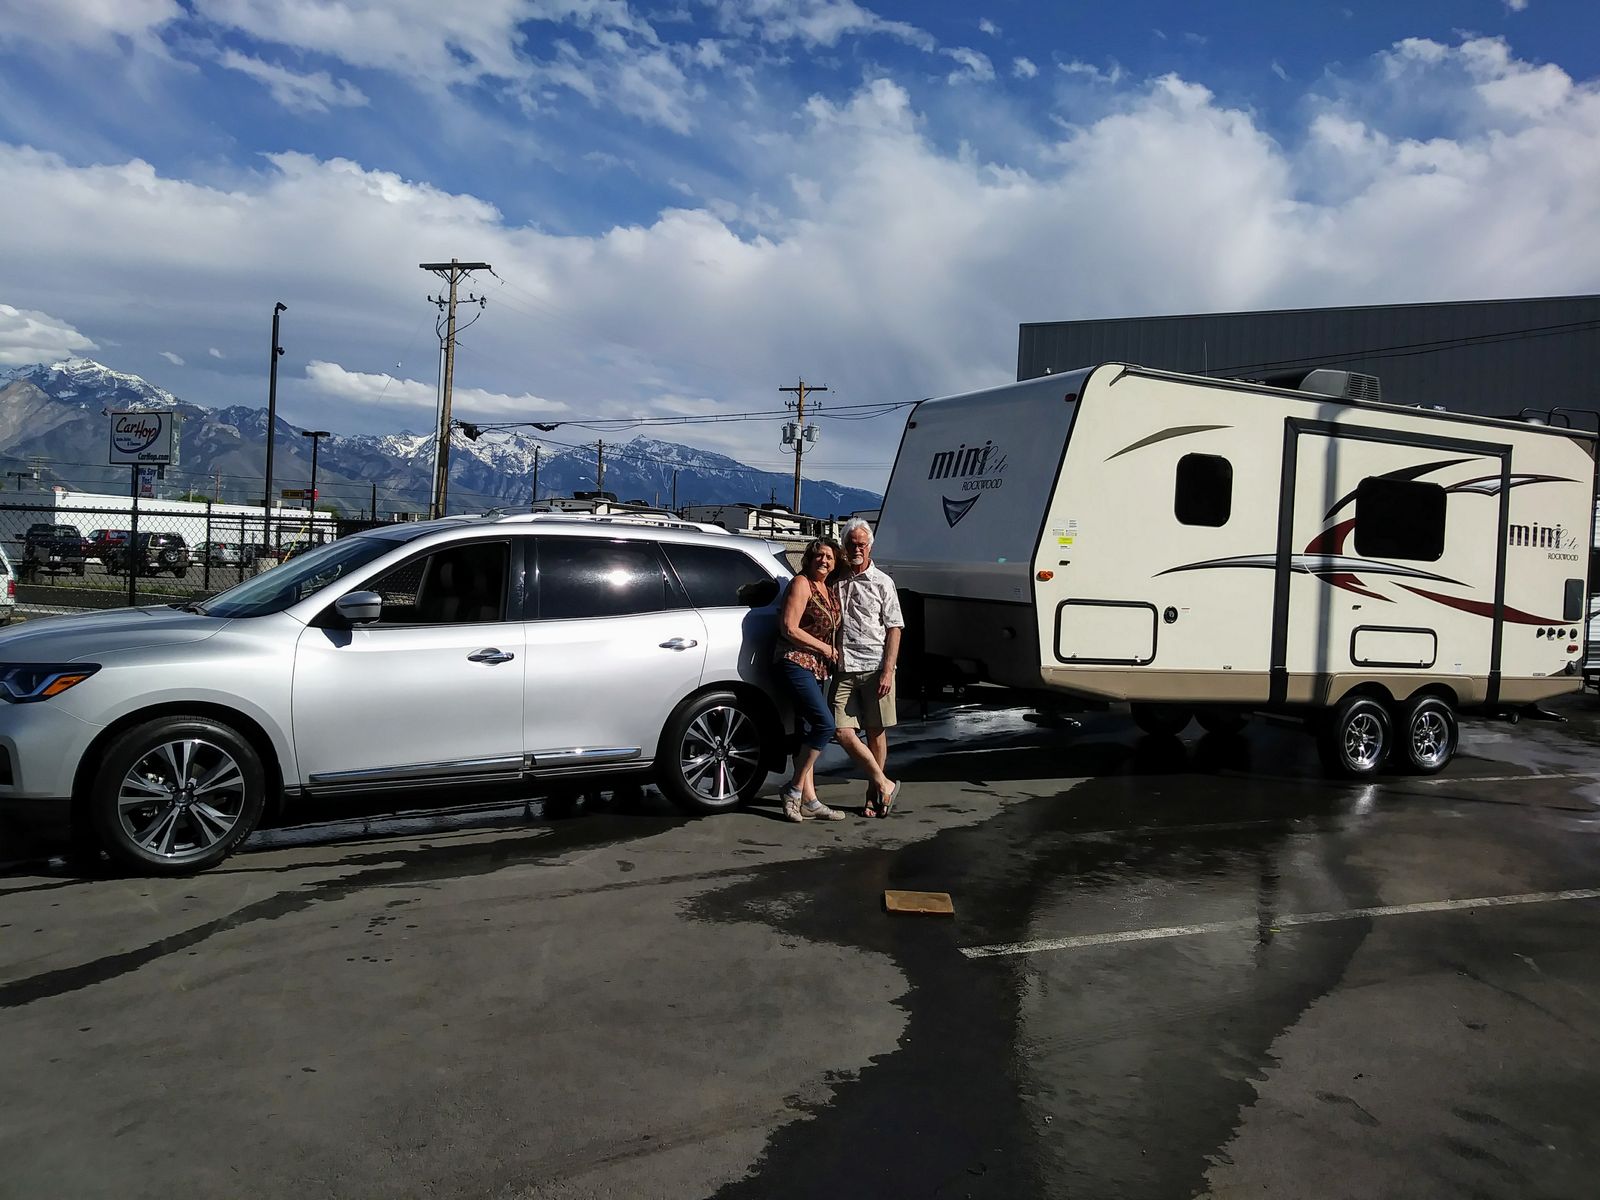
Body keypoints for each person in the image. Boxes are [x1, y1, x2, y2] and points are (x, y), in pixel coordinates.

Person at [774, 537, 849, 822]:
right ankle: (793, 790)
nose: (824, 561)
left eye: (829, 557)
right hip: (795, 662)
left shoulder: (828, 589)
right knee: (824, 724)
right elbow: (789, 628)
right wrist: (826, 649)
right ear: (809, 558)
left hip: (818, 668)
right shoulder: (801, 584)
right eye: (819, 555)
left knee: (806, 732)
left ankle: (810, 801)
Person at [832, 517, 902, 817]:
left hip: (876, 667)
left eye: (861, 544)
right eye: (851, 544)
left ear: (870, 546)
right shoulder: (837, 579)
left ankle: (874, 795)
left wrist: (888, 670)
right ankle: (884, 783)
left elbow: (894, 628)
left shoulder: (883, 582)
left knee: (875, 732)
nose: (857, 549)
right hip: (844, 666)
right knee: (841, 731)